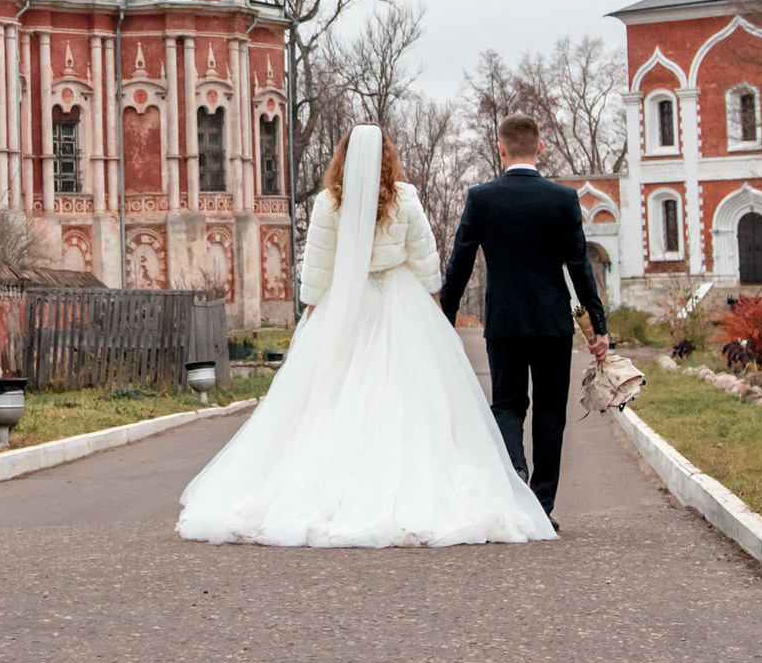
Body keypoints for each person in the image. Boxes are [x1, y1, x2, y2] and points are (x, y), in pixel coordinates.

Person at [176, 124, 554, 547]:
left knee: (337, 398)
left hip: (345, 302)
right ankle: (407, 481)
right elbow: (423, 258)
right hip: (400, 301)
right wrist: (436, 309)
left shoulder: (328, 203)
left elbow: (318, 265)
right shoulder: (404, 198)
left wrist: (313, 316)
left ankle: (337, 484)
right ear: (387, 158)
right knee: (408, 397)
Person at [439, 113, 611, 526]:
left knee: (507, 405)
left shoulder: (482, 198)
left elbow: (460, 263)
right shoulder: (562, 200)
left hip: (504, 323)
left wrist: (445, 317)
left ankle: (515, 468)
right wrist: (599, 327)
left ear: (500, 149)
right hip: (552, 324)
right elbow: (580, 268)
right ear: (541, 148)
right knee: (551, 412)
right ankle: (542, 505)